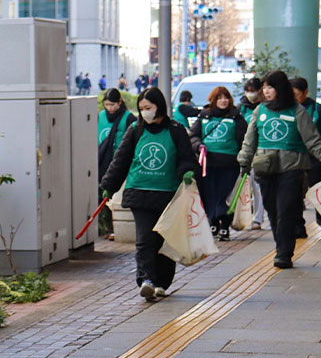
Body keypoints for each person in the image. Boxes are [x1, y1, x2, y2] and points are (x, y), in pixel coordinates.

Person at [100, 87, 200, 301]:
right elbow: (121, 160)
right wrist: (109, 184)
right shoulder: (136, 129)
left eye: (148, 107)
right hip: (140, 193)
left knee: (164, 239)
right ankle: (147, 279)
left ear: (159, 106)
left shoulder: (176, 130)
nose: (144, 112)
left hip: (168, 195)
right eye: (141, 108)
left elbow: (186, 158)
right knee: (145, 239)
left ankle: (162, 282)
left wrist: (188, 172)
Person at [237, 70, 321, 270]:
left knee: (286, 210)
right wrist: (244, 162)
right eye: (265, 87)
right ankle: (281, 243)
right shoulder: (260, 111)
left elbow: (312, 139)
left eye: (270, 87)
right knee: (272, 211)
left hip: (291, 169)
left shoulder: (297, 111)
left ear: (280, 89)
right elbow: (250, 140)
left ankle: (284, 253)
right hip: (265, 168)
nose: (266, 91)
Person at [189, 86, 247, 241]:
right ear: (213, 100)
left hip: (229, 164)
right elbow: (193, 136)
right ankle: (213, 221)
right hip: (208, 164)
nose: (223, 101)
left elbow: (244, 140)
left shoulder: (236, 118)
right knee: (209, 195)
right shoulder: (204, 117)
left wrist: (245, 159)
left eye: (226, 97)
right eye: (219, 98)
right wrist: (198, 146)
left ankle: (225, 225)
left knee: (225, 195)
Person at [291, 76, 321, 235]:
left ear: (306, 92)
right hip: (294, 159)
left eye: (297, 94)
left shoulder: (317, 109)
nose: (294, 97)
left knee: (317, 189)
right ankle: (297, 225)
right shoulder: (287, 109)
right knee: (295, 193)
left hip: (314, 159)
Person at [96, 88, 138, 238]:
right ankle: (105, 227)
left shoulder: (128, 118)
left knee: (116, 198)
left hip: (120, 164)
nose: (110, 108)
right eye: (107, 104)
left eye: (112, 104)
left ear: (120, 102)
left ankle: (114, 228)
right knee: (101, 195)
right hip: (102, 163)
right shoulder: (100, 116)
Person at [238, 77, 266, 229]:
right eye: (248, 91)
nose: (251, 94)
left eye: (253, 91)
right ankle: (242, 215)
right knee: (244, 185)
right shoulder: (241, 108)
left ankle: (258, 217)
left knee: (258, 186)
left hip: (260, 152)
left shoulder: (265, 107)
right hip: (245, 150)